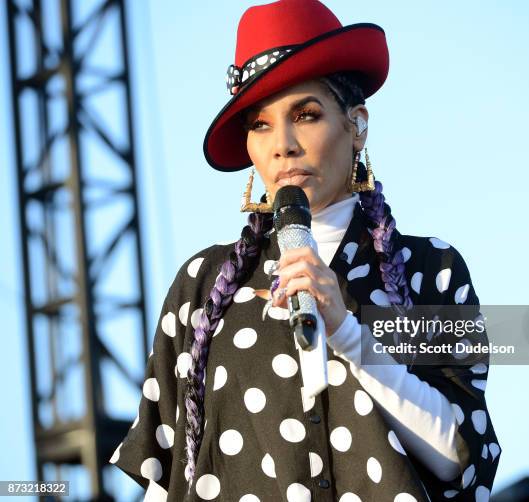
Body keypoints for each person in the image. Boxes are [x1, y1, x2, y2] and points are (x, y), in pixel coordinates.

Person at [109, 1, 501, 501]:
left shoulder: (431, 269)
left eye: (306, 115)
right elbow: (164, 481)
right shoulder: (202, 285)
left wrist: (347, 333)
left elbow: (457, 456)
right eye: (261, 124)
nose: (284, 145)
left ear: (356, 125)